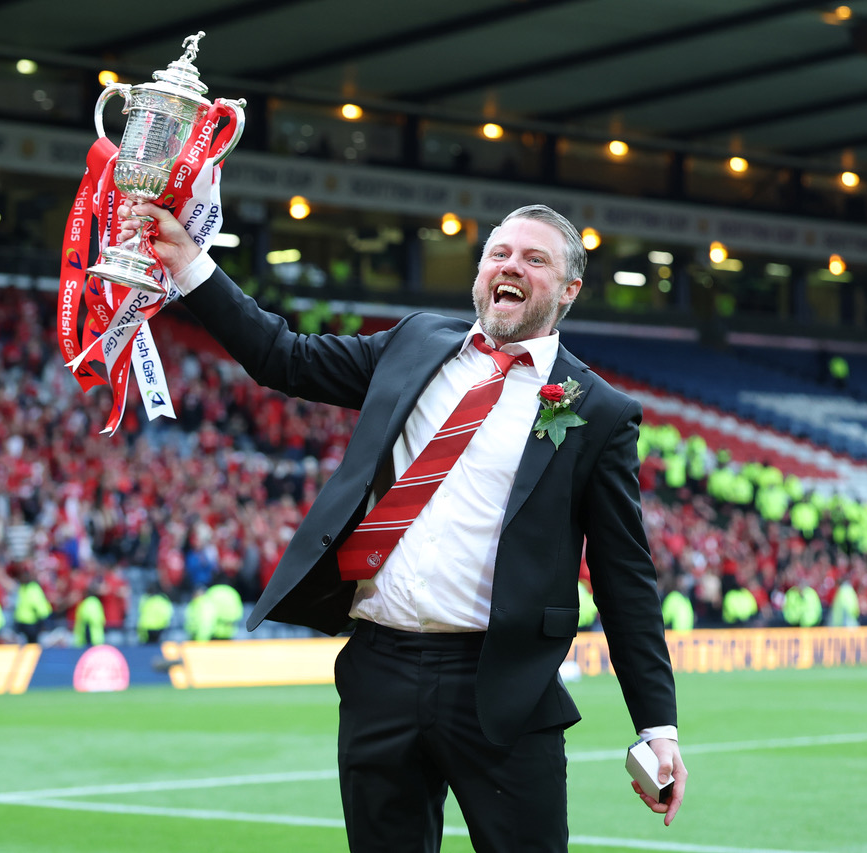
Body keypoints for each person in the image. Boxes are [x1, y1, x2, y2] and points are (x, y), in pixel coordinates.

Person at [120, 200, 684, 851]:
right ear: (479, 272)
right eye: (499, 253)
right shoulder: (415, 341)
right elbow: (284, 357)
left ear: (568, 289)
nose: (511, 266)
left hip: (501, 688)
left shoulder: (600, 410)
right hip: (379, 670)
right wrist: (191, 264)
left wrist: (657, 727)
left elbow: (625, 579)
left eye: (535, 259)